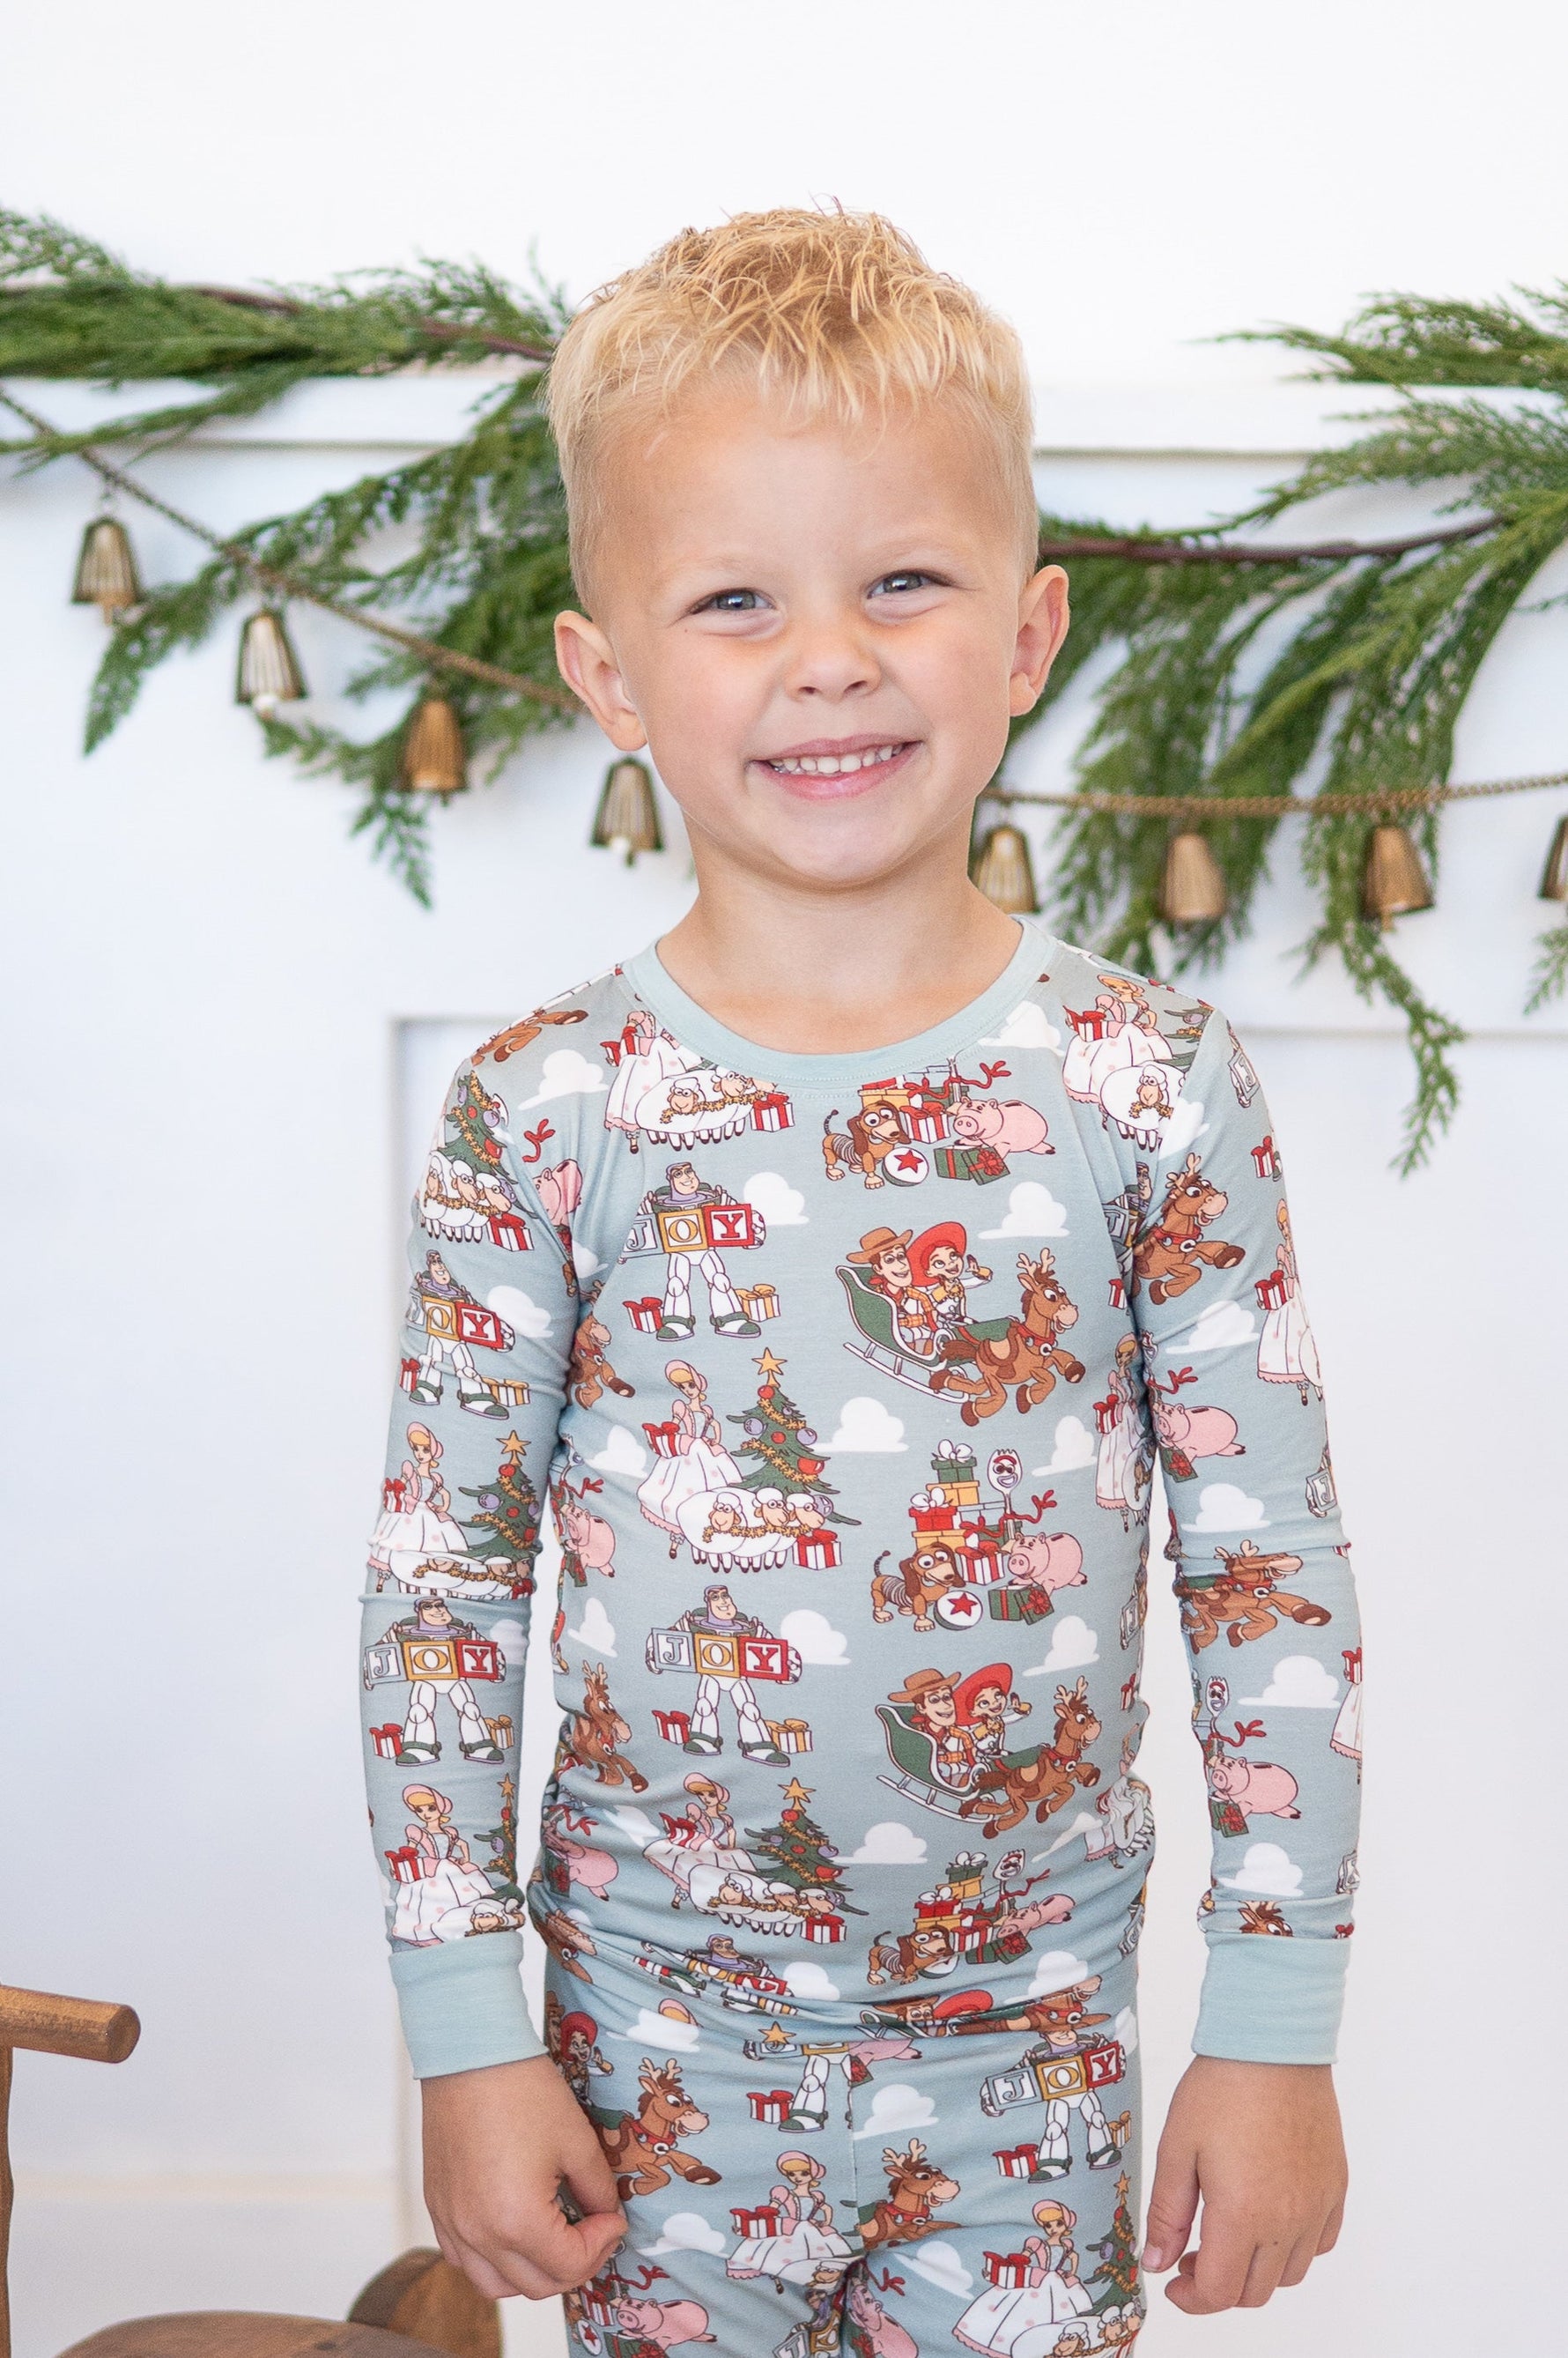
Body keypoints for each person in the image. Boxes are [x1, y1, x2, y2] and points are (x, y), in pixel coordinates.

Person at [358, 208, 1359, 2349]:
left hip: (1036, 2049)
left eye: (901, 580)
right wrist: (465, 2029)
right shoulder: (547, 1105)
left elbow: (1264, 1569)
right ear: (608, 678)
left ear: (1028, 630)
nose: (828, 657)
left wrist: (1270, 2033)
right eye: (735, 600)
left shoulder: (1143, 1082)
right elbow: (444, 1581)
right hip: (643, 2054)